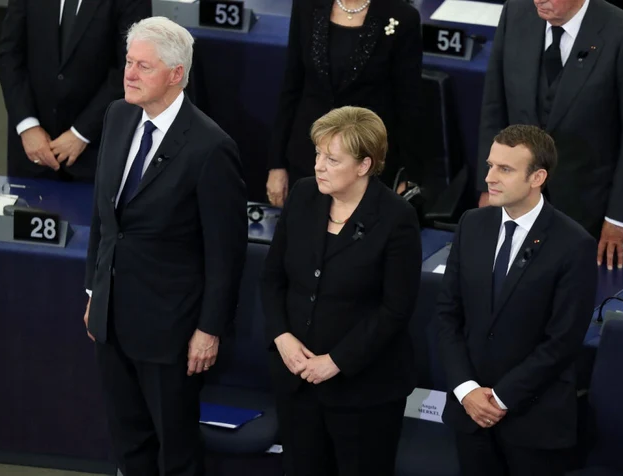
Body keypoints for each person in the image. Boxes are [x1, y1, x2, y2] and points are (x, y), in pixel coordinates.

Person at [83, 17, 247, 476]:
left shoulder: (211, 148)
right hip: (112, 319)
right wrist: (94, 293)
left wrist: (209, 329)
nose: (129, 74)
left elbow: (225, 253)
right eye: (129, 63)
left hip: (170, 331)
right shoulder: (117, 115)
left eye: (143, 66)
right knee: (128, 443)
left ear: (176, 74)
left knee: (175, 452)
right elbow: (104, 216)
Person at [261, 106, 422, 476]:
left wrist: (335, 361)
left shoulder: (397, 218)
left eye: (332, 159)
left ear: (364, 166)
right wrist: (282, 337)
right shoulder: (303, 195)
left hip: (365, 391)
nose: (318, 165)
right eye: (318, 154)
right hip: (297, 381)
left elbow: (395, 309)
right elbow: (271, 278)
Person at [436, 125, 598, 476]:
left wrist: (501, 398)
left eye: (505, 169)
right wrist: (467, 391)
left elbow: (562, 341)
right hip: (470, 414)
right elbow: (448, 315)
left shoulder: (574, 245)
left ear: (537, 177)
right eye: (491, 165)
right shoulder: (471, 223)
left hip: (533, 422)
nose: (490, 177)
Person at [476, 0, 623, 270]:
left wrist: (619, 218)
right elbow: (494, 107)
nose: (539, 0)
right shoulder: (516, 12)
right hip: (517, 200)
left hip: (587, 213)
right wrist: (489, 185)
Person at [266, 0, 423, 207]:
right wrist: (276, 164)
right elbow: (291, 88)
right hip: (308, 161)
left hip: (365, 166)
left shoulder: (401, 16)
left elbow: (409, 104)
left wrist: (408, 176)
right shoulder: (307, 6)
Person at [0, 0, 151, 181]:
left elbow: (130, 69)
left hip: (95, 151)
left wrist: (81, 133)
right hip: (33, 148)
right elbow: (9, 56)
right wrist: (27, 126)